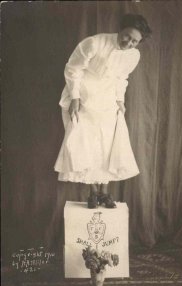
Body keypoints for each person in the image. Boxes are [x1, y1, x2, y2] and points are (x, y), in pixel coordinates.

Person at [54, 14, 152, 209]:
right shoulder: (94, 43)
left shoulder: (133, 55)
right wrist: (75, 97)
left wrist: (119, 101)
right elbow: (73, 69)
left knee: (107, 146)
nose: (129, 43)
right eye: (127, 36)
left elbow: (121, 79)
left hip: (107, 101)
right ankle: (93, 194)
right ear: (121, 29)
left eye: (135, 41)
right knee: (88, 146)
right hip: (84, 97)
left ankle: (105, 194)